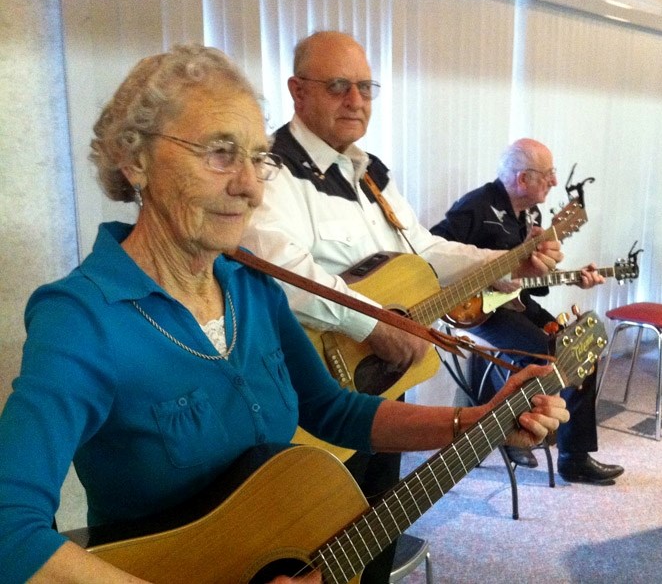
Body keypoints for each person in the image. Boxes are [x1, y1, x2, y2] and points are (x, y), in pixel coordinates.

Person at [0, 44, 569, 584]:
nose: (249, 187)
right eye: (220, 153)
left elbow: (332, 409)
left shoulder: (251, 286)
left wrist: (473, 422)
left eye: (257, 158)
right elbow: (10, 531)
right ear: (135, 159)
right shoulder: (80, 318)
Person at [241, 31, 565, 582]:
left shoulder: (370, 175)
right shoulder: (270, 171)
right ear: (298, 92)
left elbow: (427, 252)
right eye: (339, 85)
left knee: (377, 528)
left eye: (366, 87)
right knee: (310, 548)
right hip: (310, 396)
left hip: (383, 382)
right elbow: (280, 268)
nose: (356, 100)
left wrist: (511, 259)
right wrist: (374, 322)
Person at [430, 138, 624, 485]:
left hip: (513, 304)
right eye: (548, 174)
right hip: (474, 310)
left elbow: (529, 281)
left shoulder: (532, 215)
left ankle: (575, 457)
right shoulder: (477, 206)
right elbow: (433, 256)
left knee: (581, 349)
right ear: (522, 179)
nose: (554, 181)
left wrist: (575, 278)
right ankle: (506, 431)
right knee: (542, 354)